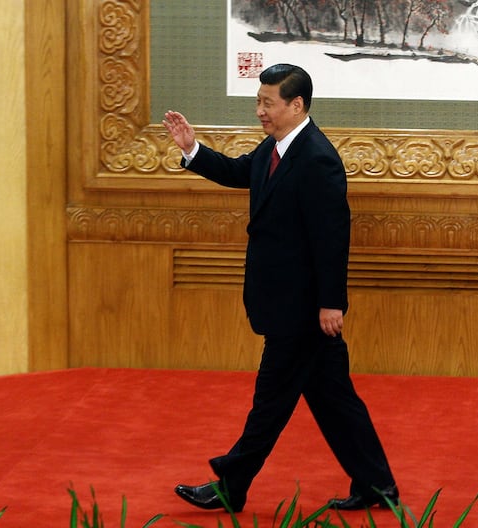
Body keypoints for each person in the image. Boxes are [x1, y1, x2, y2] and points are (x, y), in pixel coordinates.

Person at [161, 63, 398, 514]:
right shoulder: (277, 148)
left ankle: (232, 485)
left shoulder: (317, 158)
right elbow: (238, 173)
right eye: (259, 102)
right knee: (335, 402)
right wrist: (192, 150)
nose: (260, 111)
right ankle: (377, 486)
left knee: (269, 402)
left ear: (296, 104)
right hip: (286, 304)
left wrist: (331, 303)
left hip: (303, 310)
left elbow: (333, 236)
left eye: (268, 103)